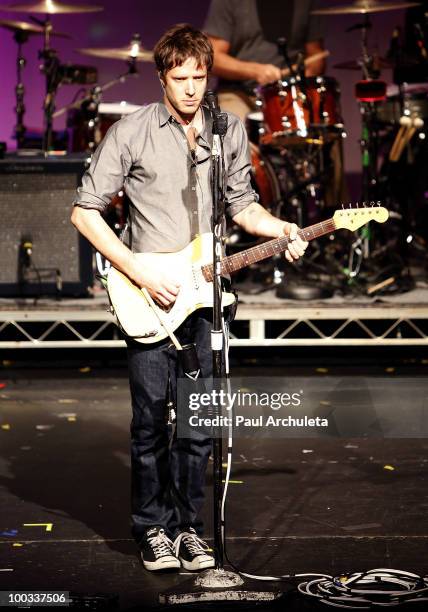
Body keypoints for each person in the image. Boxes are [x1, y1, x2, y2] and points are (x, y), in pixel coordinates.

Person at [71, 24, 307, 572]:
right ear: (161, 78)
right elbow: (86, 211)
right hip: (148, 293)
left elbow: (243, 208)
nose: (191, 89)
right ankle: (151, 528)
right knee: (151, 420)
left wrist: (284, 230)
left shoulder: (230, 132)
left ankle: (189, 530)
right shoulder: (130, 132)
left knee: (199, 423)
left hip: (206, 298)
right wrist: (136, 270)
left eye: (200, 77)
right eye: (180, 79)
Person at [203, 0, 325, 121]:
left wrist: (301, 85)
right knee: (232, 129)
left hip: (290, 94)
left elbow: (316, 55)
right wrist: (255, 71)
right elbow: (214, 58)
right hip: (238, 93)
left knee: (315, 130)